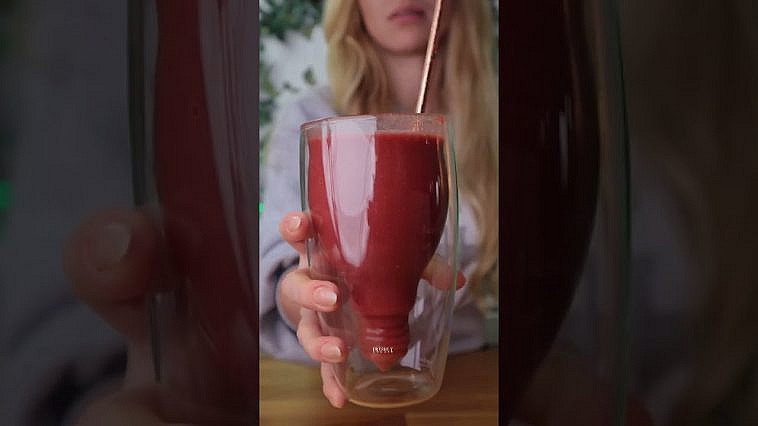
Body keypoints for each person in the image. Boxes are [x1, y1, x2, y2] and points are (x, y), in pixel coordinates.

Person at [258, 0, 499, 408]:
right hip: (320, 380)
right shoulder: (312, 118)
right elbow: (282, 260)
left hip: (472, 373)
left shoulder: (495, 125)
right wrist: (310, 299)